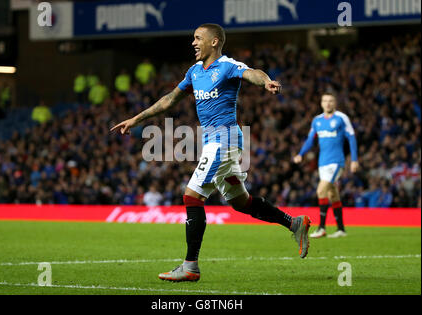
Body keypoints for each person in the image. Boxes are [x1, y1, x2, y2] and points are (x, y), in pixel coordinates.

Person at [111, 23, 311, 282]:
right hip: (214, 144)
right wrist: (136, 119)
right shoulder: (194, 72)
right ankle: (294, 223)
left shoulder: (227, 66)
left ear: (214, 41)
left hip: (225, 140)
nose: (193, 43)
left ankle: (190, 266)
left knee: (192, 196)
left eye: (198, 38)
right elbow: (169, 99)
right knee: (241, 202)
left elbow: (252, 73)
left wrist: (266, 82)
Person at [293, 93, 359, 238]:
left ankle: (321, 228)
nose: (328, 103)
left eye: (330, 101)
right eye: (325, 101)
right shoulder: (317, 121)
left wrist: (354, 160)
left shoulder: (341, 118)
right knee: (332, 194)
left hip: (336, 162)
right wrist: (301, 154)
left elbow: (352, 137)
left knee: (321, 191)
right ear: (321, 103)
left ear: (335, 103)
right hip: (322, 163)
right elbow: (310, 140)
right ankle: (341, 229)